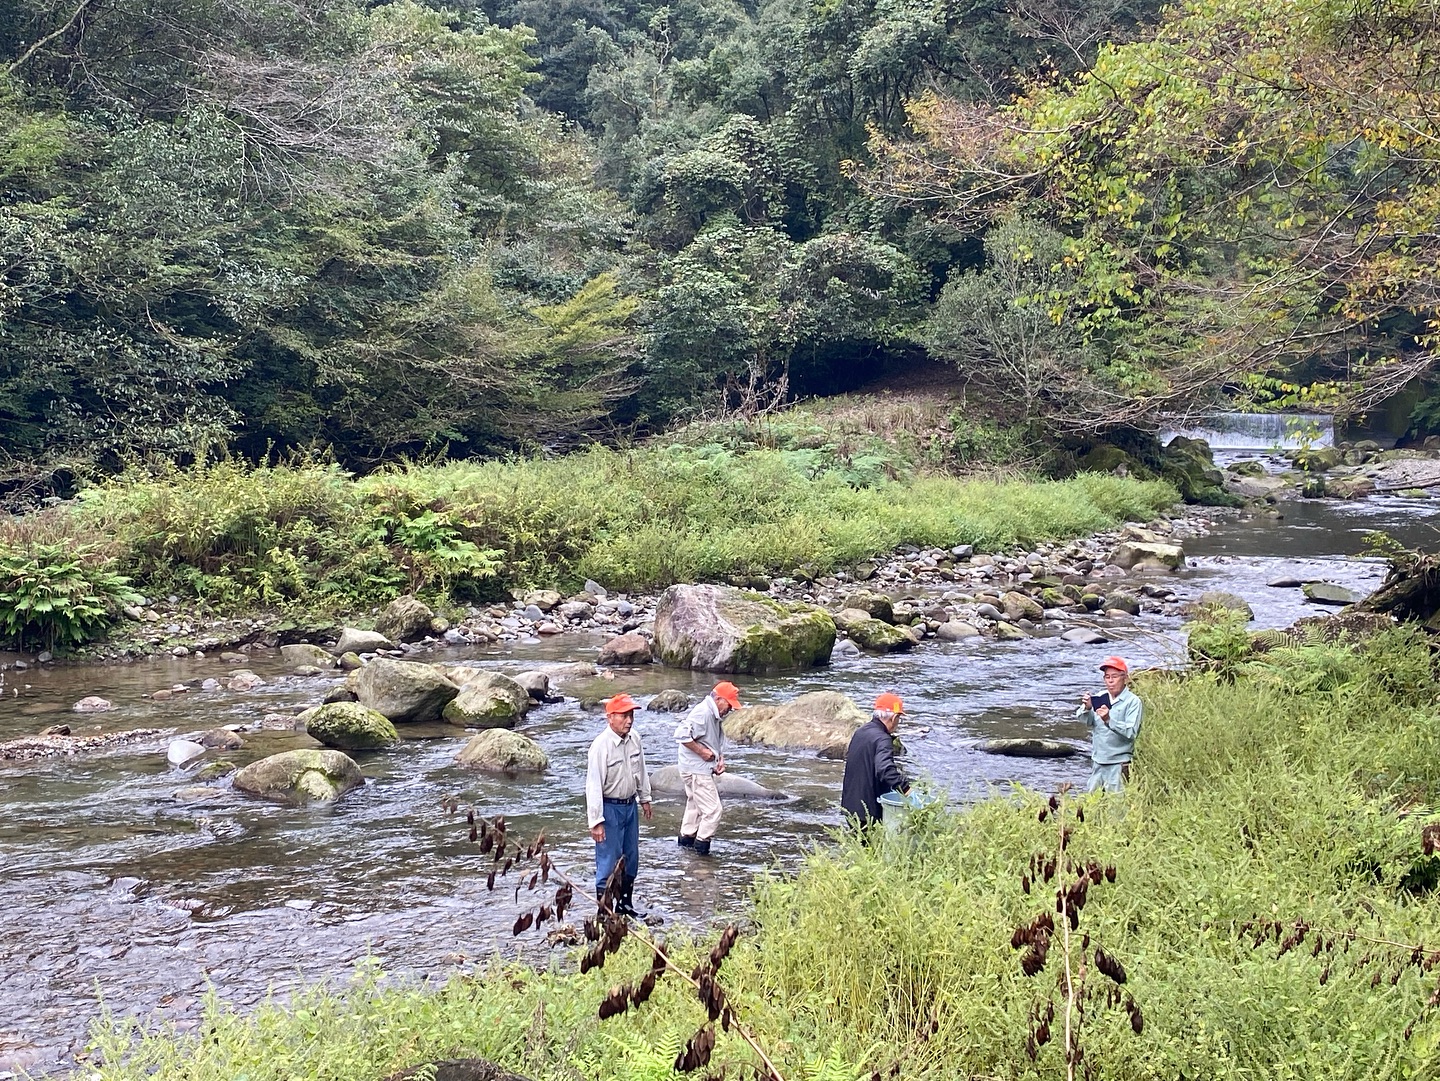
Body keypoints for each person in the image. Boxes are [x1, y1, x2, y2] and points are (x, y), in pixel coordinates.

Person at [585, 693, 653, 916]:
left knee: (631, 856)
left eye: (631, 715)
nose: (629, 720)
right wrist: (596, 821)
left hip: (630, 806)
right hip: (609, 808)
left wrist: (645, 798)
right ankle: (605, 912)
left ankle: (625, 905)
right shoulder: (600, 747)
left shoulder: (635, 739)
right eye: (624, 715)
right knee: (608, 860)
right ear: (610, 717)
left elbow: (641, 770)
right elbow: (593, 786)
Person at [674, 681, 742, 856]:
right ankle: (702, 853)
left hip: (693, 768)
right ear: (718, 699)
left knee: (695, 807)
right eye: (729, 704)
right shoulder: (703, 713)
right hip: (696, 770)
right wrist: (703, 753)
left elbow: (710, 740)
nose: (730, 709)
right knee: (713, 811)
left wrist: (719, 759)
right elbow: (681, 734)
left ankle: (685, 849)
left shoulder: (712, 713)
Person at [840, 692, 911, 829]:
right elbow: (885, 769)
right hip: (868, 811)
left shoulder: (861, 732)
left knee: (861, 846)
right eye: (899, 718)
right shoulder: (883, 739)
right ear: (894, 717)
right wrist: (906, 789)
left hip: (851, 806)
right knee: (873, 848)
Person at [1077, 656, 1143, 792]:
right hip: (1098, 762)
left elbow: (1131, 733)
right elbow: (1086, 721)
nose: (1111, 681)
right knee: (1092, 806)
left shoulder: (1133, 702)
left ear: (1124, 678)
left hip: (1119, 764)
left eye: (1115, 676)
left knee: (1117, 808)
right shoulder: (1100, 697)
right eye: (1107, 677)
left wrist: (1108, 720)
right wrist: (1087, 708)